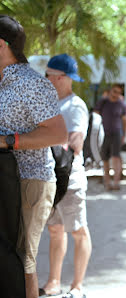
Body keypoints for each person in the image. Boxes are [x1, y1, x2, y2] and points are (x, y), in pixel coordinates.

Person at [0, 15, 68, 298]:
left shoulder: (31, 84)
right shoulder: (3, 82)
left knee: (22, 261)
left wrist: (8, 141)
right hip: (7, 182)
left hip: (30, 182)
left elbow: (58, 134)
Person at [40, 54, 91, 298]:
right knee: (55, 230)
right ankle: (53, 282)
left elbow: (76, 143)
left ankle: (77, 286)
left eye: (48, 75)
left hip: (71, 178)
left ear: (60, 78)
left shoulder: (75, 105)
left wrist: (43, 139)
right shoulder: (50, 103)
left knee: (78, 230)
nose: (46, 79)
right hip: (51, 177)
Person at [94, 84, 126, 190]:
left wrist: (124, 134)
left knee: (116, 158)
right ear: (110, 91)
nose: (116, 94)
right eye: (114, 91)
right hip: (104, 134)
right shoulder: (103, 102)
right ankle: (107, 182)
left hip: (117, 133)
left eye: (118, 92)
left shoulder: (120, 104)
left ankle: (116, 182)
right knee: (105, 159)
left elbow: (124, 120)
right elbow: (95, 113)